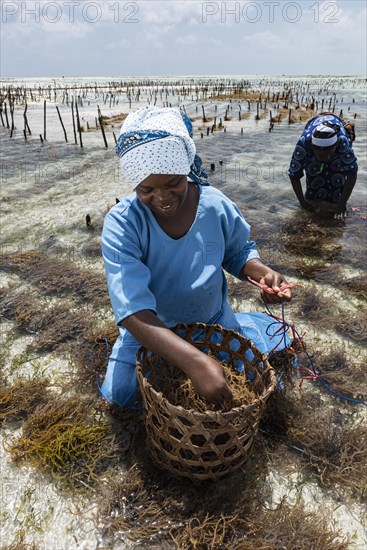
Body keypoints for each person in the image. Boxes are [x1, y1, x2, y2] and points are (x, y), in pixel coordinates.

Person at [101, 106, 293, 409]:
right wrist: (196, 363)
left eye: (173, 183)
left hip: (212, 319)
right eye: (146, 189)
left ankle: (240, 325)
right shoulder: (123, 224)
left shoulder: (215, 205)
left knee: (260, 388)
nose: (162, 198)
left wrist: (261, 273)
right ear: (133, 184)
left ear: (187, 168)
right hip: (151, 329)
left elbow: (237, 253)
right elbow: (133, 311)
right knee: (120, 398)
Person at [288, 113, 358, 219]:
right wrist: (302, 202)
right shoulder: (304, 144)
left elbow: (352, 172)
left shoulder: (342, 142)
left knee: (337, 187)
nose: (326, 159)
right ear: (312, 148)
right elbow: (294, 174)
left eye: (329, 154)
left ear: (335, 147)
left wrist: (342, 203)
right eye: (322, 155)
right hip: (313, 142)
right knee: (312, 192)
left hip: (337, 147)